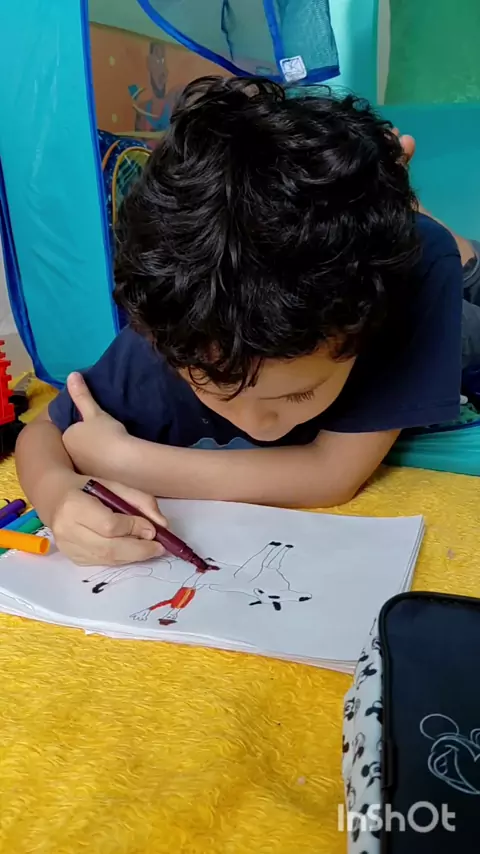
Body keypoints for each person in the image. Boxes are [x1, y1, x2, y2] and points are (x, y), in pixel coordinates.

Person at [16, 76, 479, 567]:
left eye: (298, 394)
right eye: (216, 388)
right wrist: (58, 493)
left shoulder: (410, 281)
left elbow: (333, 475)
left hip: (432, 282)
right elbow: (42, 432)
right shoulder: (184, 329)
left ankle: (426, 225)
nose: (260, 423)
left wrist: (125, 461)